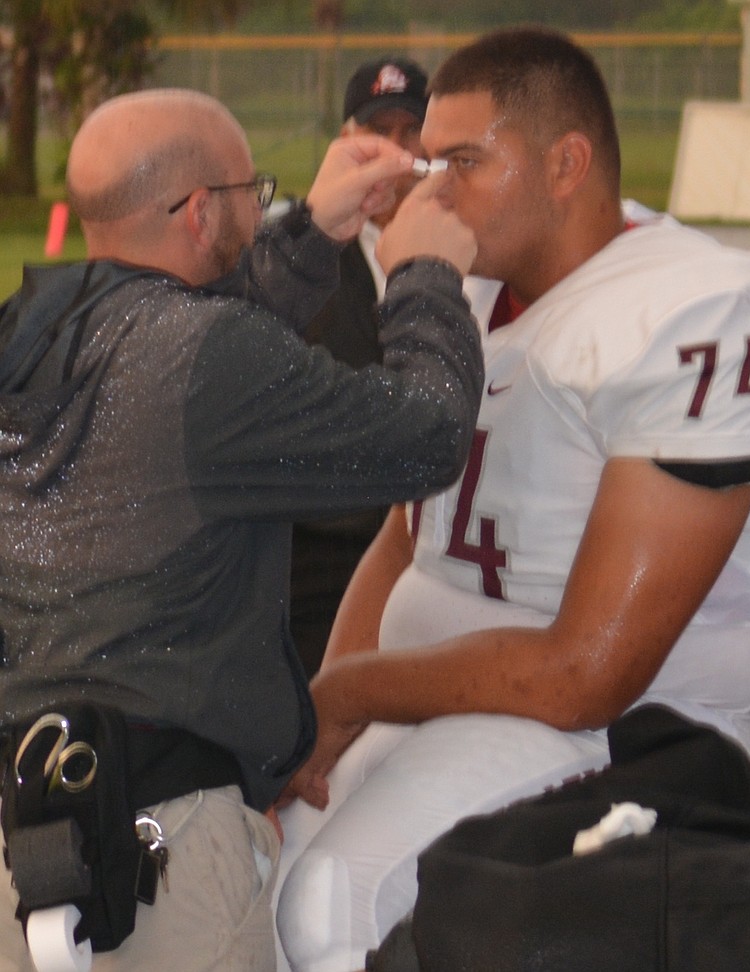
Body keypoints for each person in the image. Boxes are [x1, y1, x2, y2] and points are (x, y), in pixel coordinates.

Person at [274, 27, 750, 972]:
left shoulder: (703, 309)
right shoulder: (481, 289)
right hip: (443, 700)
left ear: (566, 164)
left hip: (622, 728)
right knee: (267, 872)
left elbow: (586, 674)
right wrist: (332, 713)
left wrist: (344, 692)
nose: (434, 193)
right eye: (429, 164)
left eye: (465, 162)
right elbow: (404, 544)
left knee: (329, 909)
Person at [0, 86, 483, 972]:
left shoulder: (31, 333)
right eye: (251, 197)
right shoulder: (202, 356)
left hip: (30, 824)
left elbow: (181, 358)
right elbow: (427, 434)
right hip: (163, 855)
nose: (263, 213)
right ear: (196, 212)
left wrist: (312, 234)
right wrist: (424, 275)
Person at [290, 57, 430, 678]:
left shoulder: (478, 253)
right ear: (347, 144)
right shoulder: (306, 261)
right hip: (329, 556)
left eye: (410, 133)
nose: (395, 153)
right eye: (378, 134)